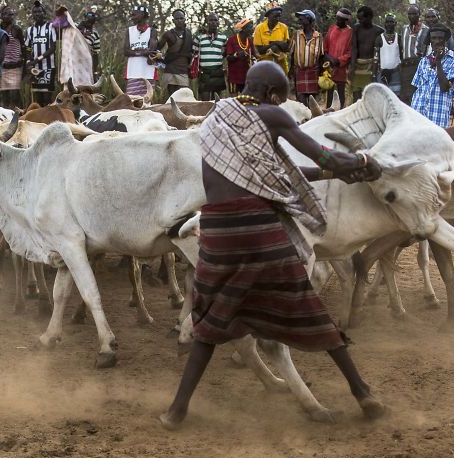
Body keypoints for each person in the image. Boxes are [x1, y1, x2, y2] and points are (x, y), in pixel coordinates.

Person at [159, 60, 385, 430]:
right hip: (257, 228)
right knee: (306, 303)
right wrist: (361, 161)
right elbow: (322, 156)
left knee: (210, 322)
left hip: (217, 233)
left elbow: (280, 173)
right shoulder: (272, 115)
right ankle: (362, 392)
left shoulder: (217, 119)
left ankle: (176, 411)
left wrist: (339, 172)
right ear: (274, 95)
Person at [411, 24, 454, 128]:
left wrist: (438, 61)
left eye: (440, 38)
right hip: (418, 113)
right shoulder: (424, 61)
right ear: (430, 41)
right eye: (434, 38)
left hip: (438, 115)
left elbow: (445, 87)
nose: (437, 41)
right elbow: (416, 88)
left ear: (445, 40)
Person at [25, 1, 57, 105]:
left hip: (48, 67)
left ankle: (48, 120)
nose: (37, 14)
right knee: (37, 98)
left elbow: (53, 48)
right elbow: (28, 48)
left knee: (47, 97)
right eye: (34, 12)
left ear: (44, 13)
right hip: (34, 69)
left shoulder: (51, 27)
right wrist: (29, 62)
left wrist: (37, 59)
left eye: (39, 12)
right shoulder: (30, 30)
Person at [350, 5, 383, 102]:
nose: (359, 21)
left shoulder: (378, 31)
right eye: (358, 19)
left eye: (361, 18)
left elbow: (379, 52)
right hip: (357, 66)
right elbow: (354, 48)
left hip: (371, 66)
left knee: (369, 95)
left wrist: (375, 70)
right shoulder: (356, 28)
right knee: (356, 96)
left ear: (369, 17)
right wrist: (352, 66)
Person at [124, 5, 158, 96]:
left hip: (148, 73)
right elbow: (126, 51)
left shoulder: (152, 31)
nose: (132, 17)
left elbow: (151, 53)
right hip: (132, 72)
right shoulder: (129, 30)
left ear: (142, 15)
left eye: (134, 15)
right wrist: (143, 52)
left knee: (146, 102)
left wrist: (134, 51)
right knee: (131, 101)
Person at [158, 9, 193, 96]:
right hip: (170, 69)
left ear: (185, 19)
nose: (179, 21)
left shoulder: (189, 34)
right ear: (173, 21)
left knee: (184, 97)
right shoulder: (168, 34)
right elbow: (157, 48)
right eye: (177, 19)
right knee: (170, 98)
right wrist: (161, 57)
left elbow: (191, 52)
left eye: (181, 18)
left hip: (183, 70)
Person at [291, 9, 322, 106]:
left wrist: (321, 72)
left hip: (313, 71)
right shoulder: (296, 34)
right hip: (299, 71)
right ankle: (304, 120)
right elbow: (292, 53)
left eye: (302, 17)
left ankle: (312, 119)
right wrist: (291, 69)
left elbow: (321, 56)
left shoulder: (318, 36)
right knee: (301, 100)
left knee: (312, 101)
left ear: (308, 19)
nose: (300, 19)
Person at [193, 13, 227, 100]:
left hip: (218, 71)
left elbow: (227, 51)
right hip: (204, 72)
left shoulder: (223, 38)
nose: (213, 22)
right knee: (205, 101)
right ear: (207, 22)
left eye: (215, 20)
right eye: (211, 20)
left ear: (218, 23)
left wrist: (220, 57)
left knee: (217, 100)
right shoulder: (199, 37)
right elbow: (194, 54)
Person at [324, 7, 353, 109]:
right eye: (337, 18)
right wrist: (328, 58)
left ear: (345, 20)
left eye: (340, 19)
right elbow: (325, 46)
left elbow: (350, 52)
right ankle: (328, 111)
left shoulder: (350, 32)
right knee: (330, 92)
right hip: (330, 67)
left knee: (341, 92)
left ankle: (341, 111)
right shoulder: (332, 28)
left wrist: (337, 60)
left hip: (341, 68)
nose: (337, 21)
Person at [0, 4, 24, 109]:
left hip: (15, 66)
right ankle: (6, 116)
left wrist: (23, 60)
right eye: (8, 14)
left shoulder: (16, 29)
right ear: (2, 15)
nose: (10, 16)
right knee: (5, 95)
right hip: (2, 66)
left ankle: (16, 115)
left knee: (14, 95)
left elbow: (24, 46)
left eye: (12, 14)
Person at [254, 3, 289, 74]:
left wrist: (275, 45)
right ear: (268, 16)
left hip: (281, 64)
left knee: (281, 84)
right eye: (275, 16)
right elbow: (260, 50)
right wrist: (276, 44)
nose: (277, 19)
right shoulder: (259, 28)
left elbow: (286, 47)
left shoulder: (283, 27)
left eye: (279, 16)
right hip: (265, 66)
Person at [224, 18, 256, 96]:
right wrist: (237, 55)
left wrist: (250, 58)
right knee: (234, 101)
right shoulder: (232, 40)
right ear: (244, 29)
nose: (252, 30)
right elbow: (228, 57)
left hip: (246, 77)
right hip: (233, 76)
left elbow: (254, 56)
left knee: (246, 101)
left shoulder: (250, 41)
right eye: (250, 28)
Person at [400, 4, 424, 104]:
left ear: (419, 15)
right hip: (405, 66)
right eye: (410, 14)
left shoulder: (425, 29)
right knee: (405, 95)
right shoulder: (404, 29)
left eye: (414, 14)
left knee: (416, 92)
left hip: (418, 65)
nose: (412, 16)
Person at [374, 13, 402, 97]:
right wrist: (374, 74)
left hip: (396, 73)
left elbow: (402, 56)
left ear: (395, 23)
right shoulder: (379, 38)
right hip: (383, 74)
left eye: (391, 22)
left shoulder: (399, 38)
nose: (389, 24)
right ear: (384, 24)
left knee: (396, 97)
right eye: (387, 22)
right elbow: (375, 58)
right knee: (383, 97)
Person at [78, 6, 100, 79]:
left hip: (85, 66)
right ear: (86, 15)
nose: (91, 17)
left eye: (94, 16)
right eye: (90, 15)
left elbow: (95, 54)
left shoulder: (95, 34)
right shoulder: (75, 26)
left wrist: (95, 72)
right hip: (72, 63)